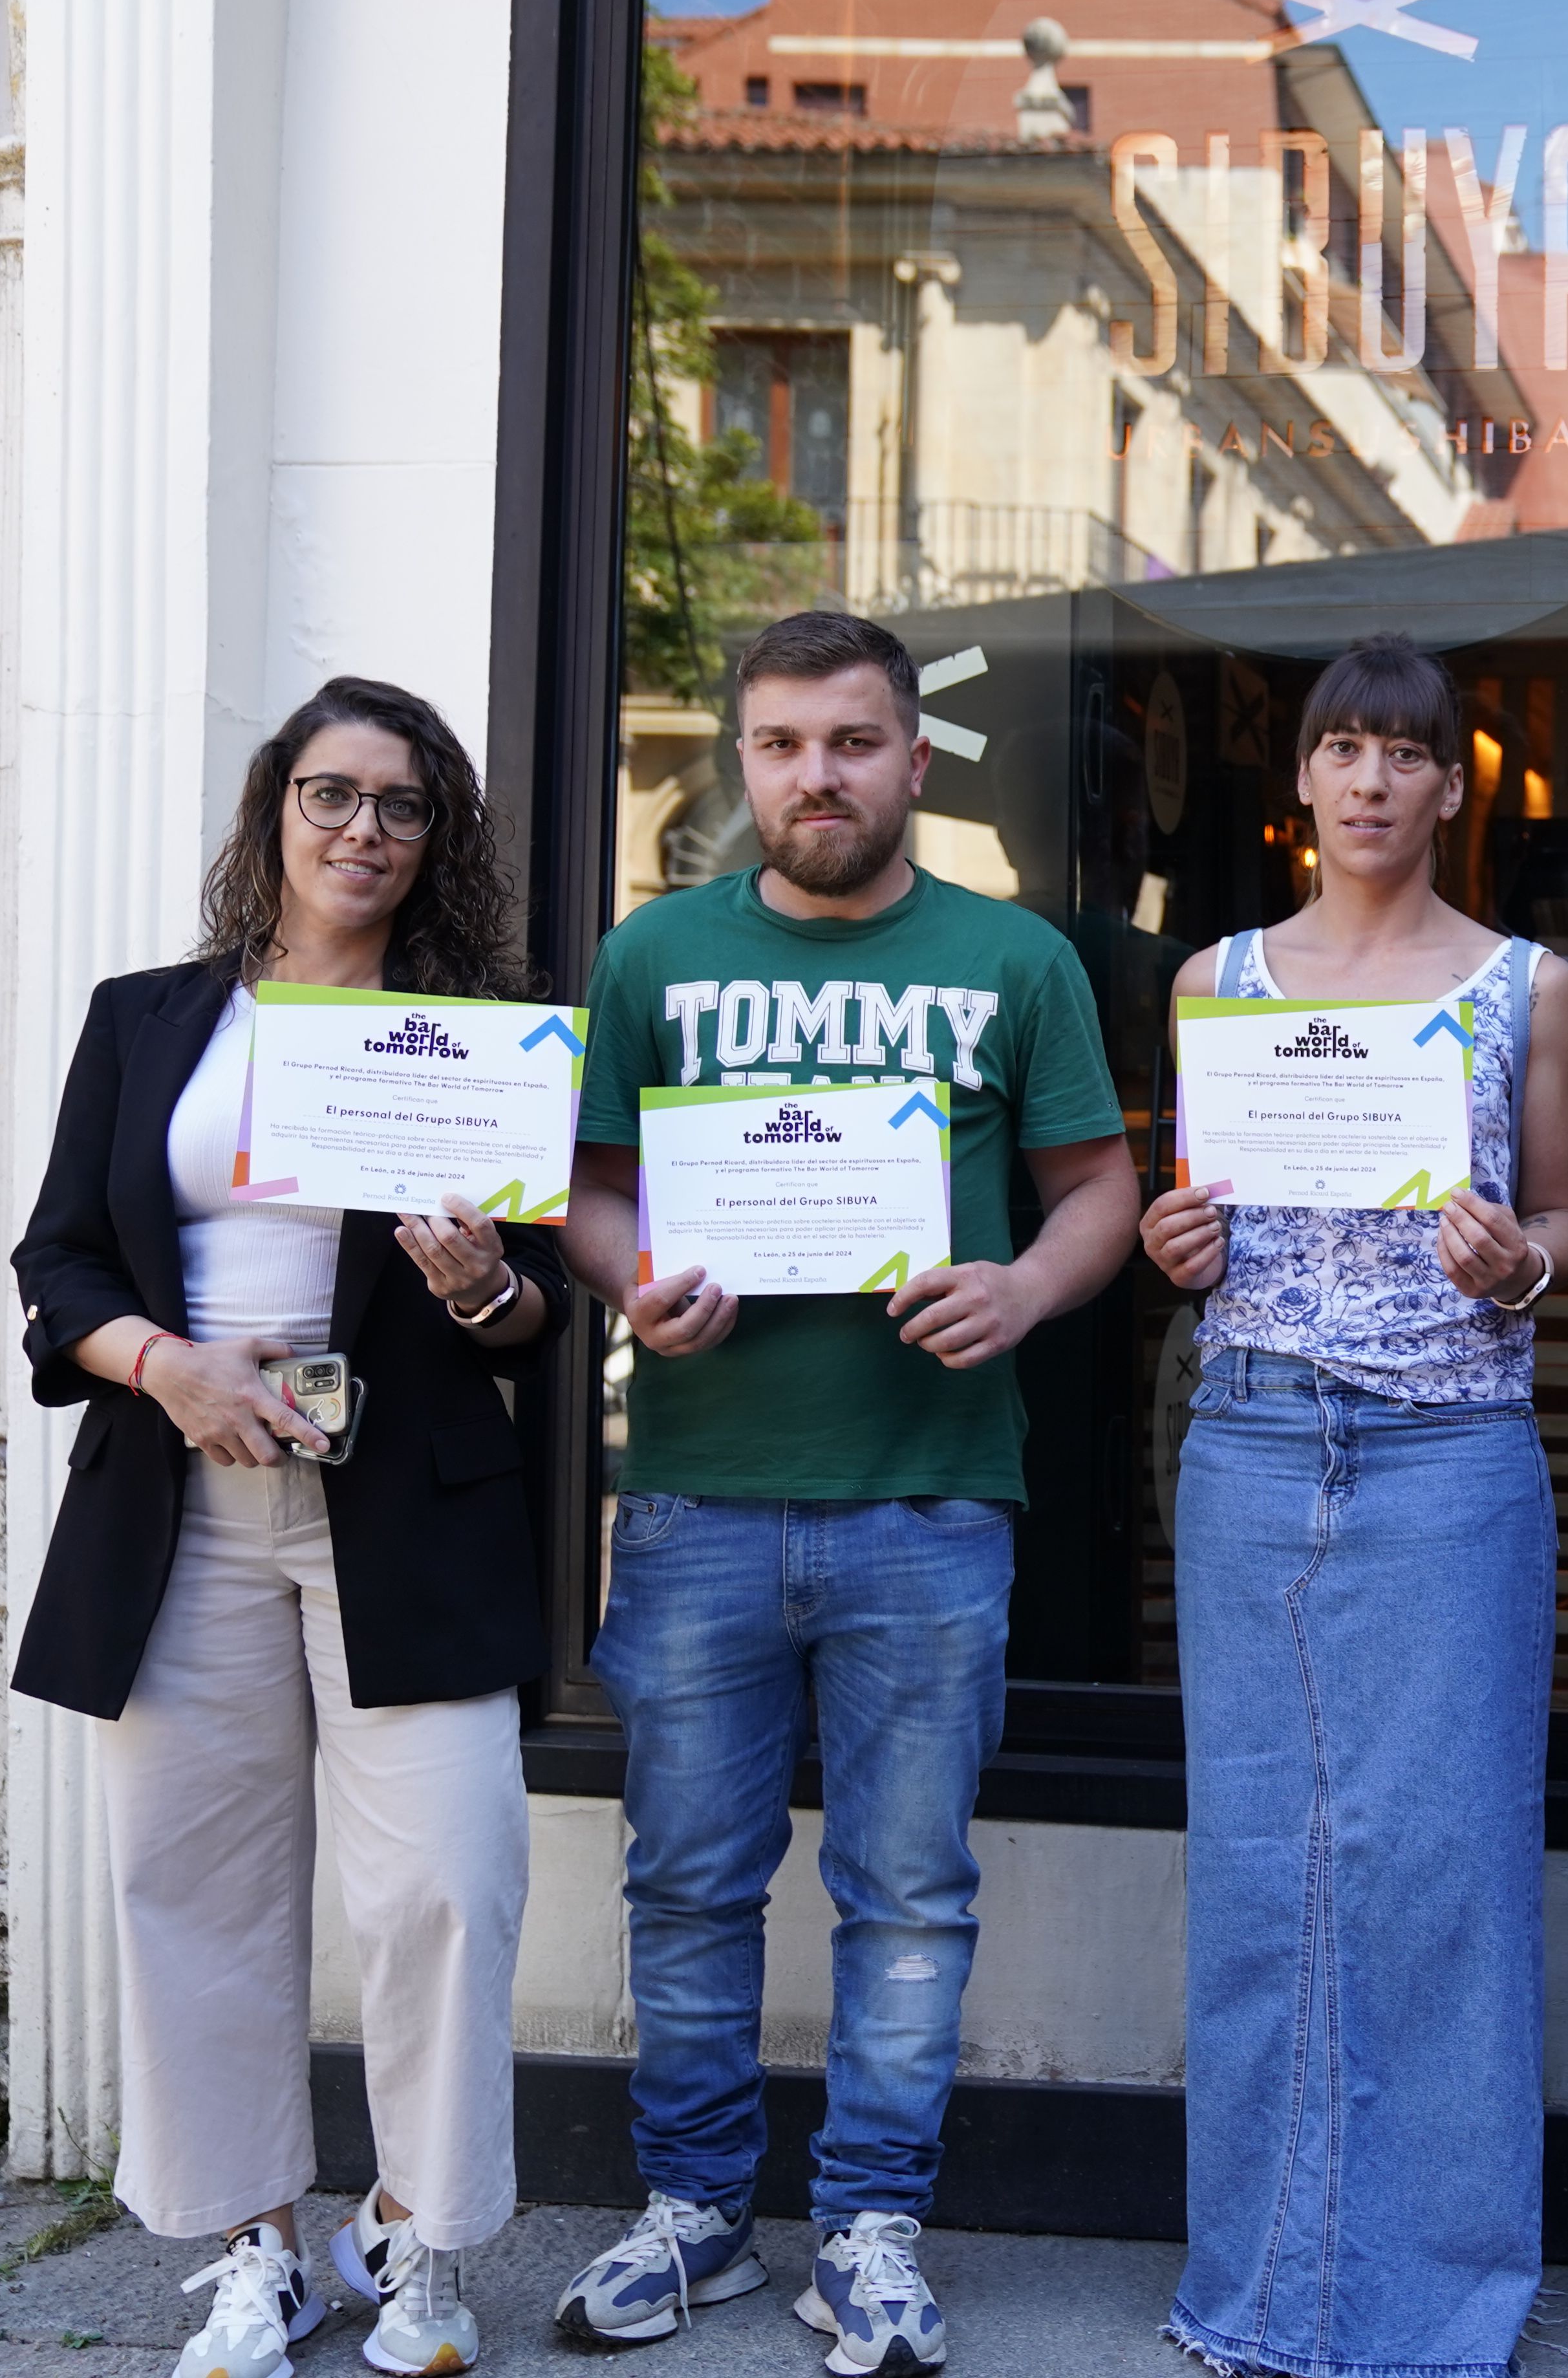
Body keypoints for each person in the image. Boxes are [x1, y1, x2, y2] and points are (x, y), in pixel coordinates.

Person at [551, 612, 1139, 2378]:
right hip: (698, 1499)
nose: (819, 776)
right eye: (786, 744)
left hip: (932, 1501)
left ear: (915, 761)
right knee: (687, 1882)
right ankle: (695, 2213)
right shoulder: (652, 953)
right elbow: (582, 1190)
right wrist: (630, 1278)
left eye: (854, 743)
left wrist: (1027, 1291)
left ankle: (872, 2226)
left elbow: (1099, 1188)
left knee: (908, 1890)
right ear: (746, 761)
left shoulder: (1015, 960)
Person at [12, 677, 563, 2378]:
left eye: (403, 808)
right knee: (195, 1885)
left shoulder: (481, 1037)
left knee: (449, 1889)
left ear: (436, 841)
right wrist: (168, 1368)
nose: (364, 833)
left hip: (404, 1513)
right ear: (274, 813)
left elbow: (545, 1316)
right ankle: (261, 2246)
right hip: (177, 1510)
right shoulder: (147, 1019)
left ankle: (422, 2241)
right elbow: (59, 1274)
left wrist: (485, 1293)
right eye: (333, 796)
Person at [1135, 636, 1568, 2378]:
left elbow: (1566, 1220)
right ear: (1305, 783)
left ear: (1452, 785)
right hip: (1252, 1441)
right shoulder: (1219, 981)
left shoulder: (1526, 988)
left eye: (1408, 754)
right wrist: (1186, 1251)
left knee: (1447, 1878)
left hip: (1451, 1455)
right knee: (1261, 1875)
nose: (1374, 782)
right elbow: (1210, 1222)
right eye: (1345, 749)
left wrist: (1521, 1265)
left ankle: (1444, 2311)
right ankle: (1253, 2296)